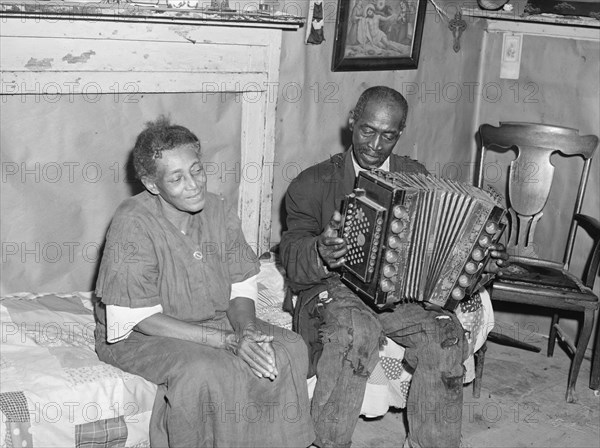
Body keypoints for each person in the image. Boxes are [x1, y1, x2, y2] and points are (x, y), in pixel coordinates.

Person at [280, 86, 508, 448]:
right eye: (367, 130)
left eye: (388, 135)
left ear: (400, 133)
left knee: (445, 338)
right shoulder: (313, 182)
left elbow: (439, 249)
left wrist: (480, 262)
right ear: (352, 122)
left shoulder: (414, 177)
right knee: (357, 333)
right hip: (337, 287)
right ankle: (327, 442)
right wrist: (319, 250)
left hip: (400, 295)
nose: (374, 144)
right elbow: (292, 257)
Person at [94, 117, 315, 448]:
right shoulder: (132, 223)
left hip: (215, 318)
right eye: (177, 178)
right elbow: (139, 317)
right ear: (152, 185)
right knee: (203, 371)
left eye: (197, 170)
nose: (194, 184)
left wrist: (247, 331)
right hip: (145, 334)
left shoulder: (217, 209)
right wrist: (226, 342)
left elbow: (241, 283)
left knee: (289, 348)